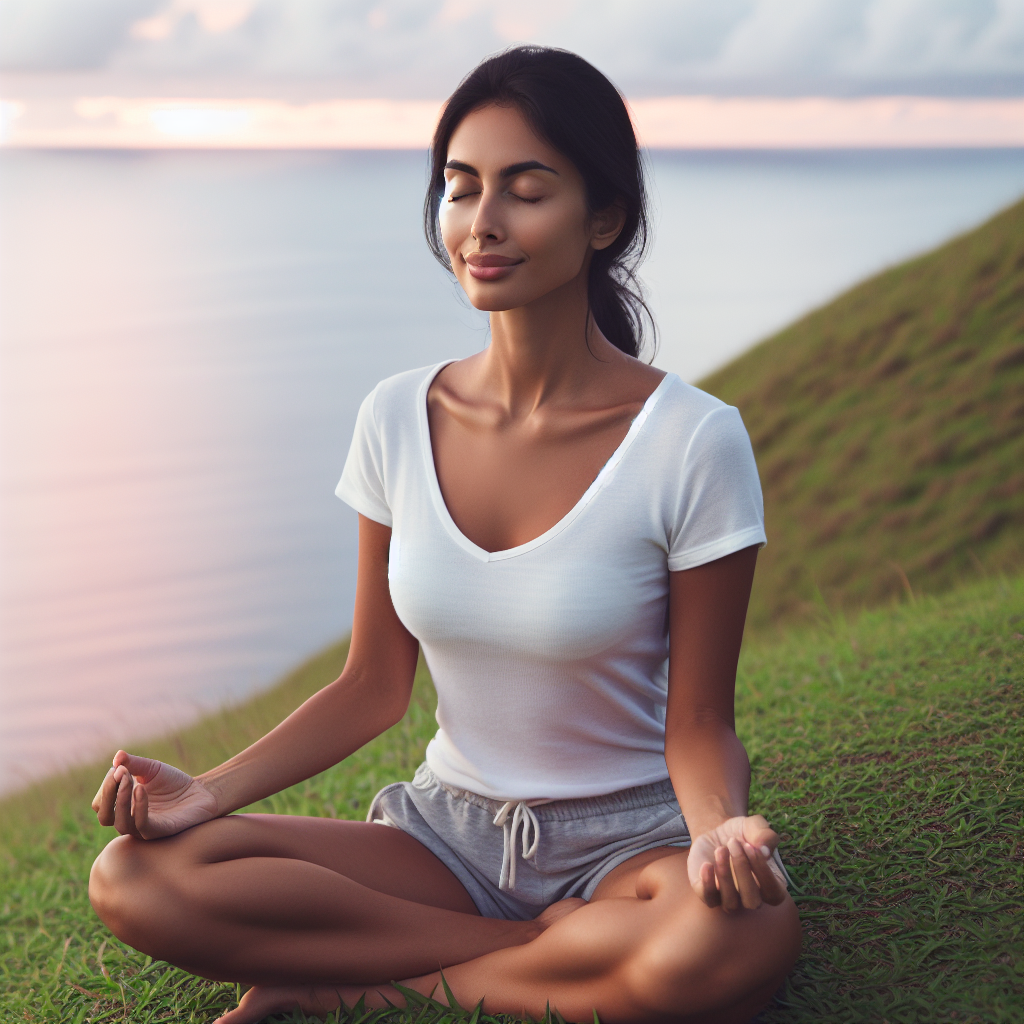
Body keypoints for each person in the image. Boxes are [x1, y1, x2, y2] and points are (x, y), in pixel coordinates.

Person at [88, 46, 801, 1024]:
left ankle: (350, 989)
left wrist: (716, 829)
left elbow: (701, 720)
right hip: (445, 839)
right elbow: (372, 684)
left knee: (742, 934)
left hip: (626, 845)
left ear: (604, 218)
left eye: (526, 191)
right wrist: (205, 794)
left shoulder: (691, 439)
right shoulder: (395, 415)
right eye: (461, 190)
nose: (482, 223)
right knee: (134, 876)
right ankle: (554, 954)